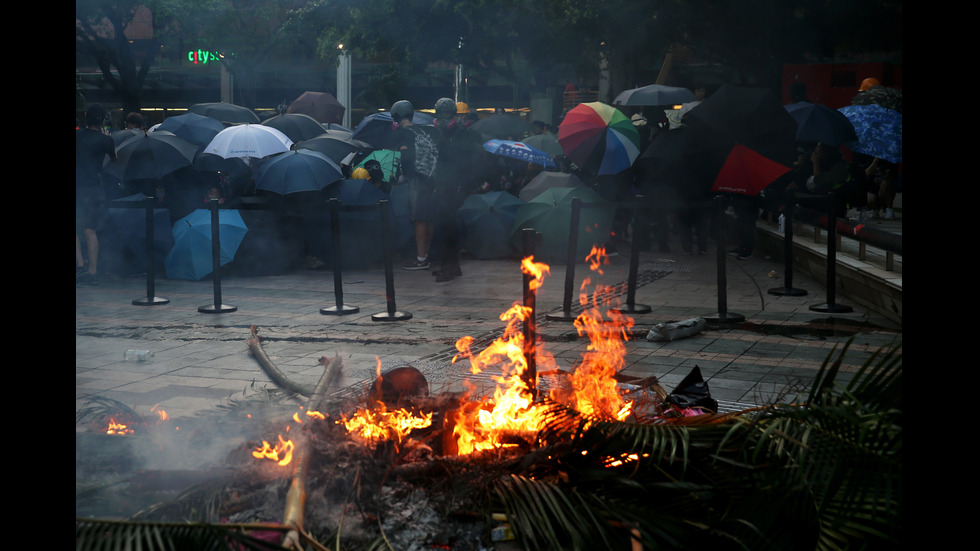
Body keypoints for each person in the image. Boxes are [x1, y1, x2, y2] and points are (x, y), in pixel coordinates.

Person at [429, 98, 486, 281]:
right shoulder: (440, 133)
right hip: (442, 184)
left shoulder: (463, 134)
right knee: (444, 226)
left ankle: (449, 267)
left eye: (447, 115)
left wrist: (465, 185)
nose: (443, 119)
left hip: (456, 185)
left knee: (449, 227)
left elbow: (467, 162)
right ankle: (450, 265)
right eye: (440, 115)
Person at [391, 100, 442, 270]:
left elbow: (405, 155)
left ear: (396, 117)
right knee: (428, 218)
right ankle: (426, 255)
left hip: (417, 179)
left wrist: (402, 176)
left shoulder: (403, 133)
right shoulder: (425, 130)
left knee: (419, 219)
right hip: (432, 178)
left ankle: (421, 259)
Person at [76, 104, 117, 286]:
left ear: (86, 116)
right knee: (90, 229)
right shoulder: (105, 140)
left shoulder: (77, 135)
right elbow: (114, 159)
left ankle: (80, 265)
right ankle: (92, 271)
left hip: (77, 185)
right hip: (93, 187)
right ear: (102, 120)